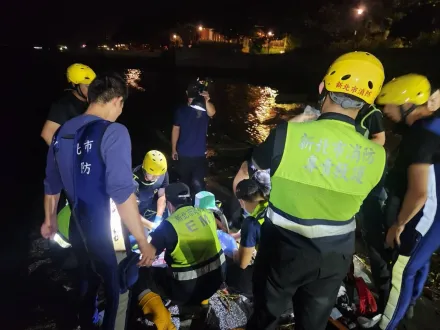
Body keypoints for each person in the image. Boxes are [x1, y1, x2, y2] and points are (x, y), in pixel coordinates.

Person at [246, 51, 387, 330]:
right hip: (335, 256)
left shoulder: (287, 134)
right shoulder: (378, 156)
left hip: (283, 248)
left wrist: (296, 122)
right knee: (313, 323)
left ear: (323, 88)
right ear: (369, 104)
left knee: (266, 317)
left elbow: (251, 175)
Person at [41, 72, 156, 330]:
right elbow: (121, 192)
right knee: (120, 287)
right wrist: (141, 240)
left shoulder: (61, 133)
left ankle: (87, 321)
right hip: (107, 228)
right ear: (116, 101)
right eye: (122, 105)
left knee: (87, 278)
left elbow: (51, 183)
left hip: (76, 223)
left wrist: (49, 220)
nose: (120, 111)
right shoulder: (113, 131)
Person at [374, 74, 440, 330]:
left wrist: (398, 224)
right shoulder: (434, 124)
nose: (386, 111)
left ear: (405, 103)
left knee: (403, 271)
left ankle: (387, 326)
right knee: (418, 264)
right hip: (434, 218)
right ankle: (409, 304)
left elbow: (419, 192)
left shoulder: (421, 135)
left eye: (388, 105)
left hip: (427, 217)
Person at [134, 182, 226, 328]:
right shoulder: (207, 214)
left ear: (169, 204)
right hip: (216, 281)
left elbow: (148, 257)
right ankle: (203, 306)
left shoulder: (168, 226)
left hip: (185, 292)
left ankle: (162, 320)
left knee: (140, 273)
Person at [354, 103, 390, 313]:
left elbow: (379, 140)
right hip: (354, 180)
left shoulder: (370, 113)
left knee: (374, 238)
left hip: (371, 185)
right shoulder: (347, 107)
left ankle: (385, 293)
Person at [171, 79, 216, 196]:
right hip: (184, 154)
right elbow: (175, 129)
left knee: (198, 184)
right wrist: (174, 149)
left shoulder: (204, 109)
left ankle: (200, 209)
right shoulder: (181, 111)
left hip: (199, 155)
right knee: (184, 182)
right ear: (186, 93)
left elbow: (212, 112)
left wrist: (206, 100)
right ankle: (184, 204)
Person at [41, 63, 96, 145]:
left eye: (94, 85)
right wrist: (67, 154)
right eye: (87, 86)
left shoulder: (91, 101)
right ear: (74, 85)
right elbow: (47, 134)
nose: (92, 90)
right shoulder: (63, 105)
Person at [133, 150, 169, 230]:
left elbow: (162, 195)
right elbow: (131, 211)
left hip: (150, 208)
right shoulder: (133, 181)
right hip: (137, 213)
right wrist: (151, 226)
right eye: (153, 175)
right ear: (145, 170)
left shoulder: (162, 172)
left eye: (159, 175)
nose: (157, 177)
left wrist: (158, 218)